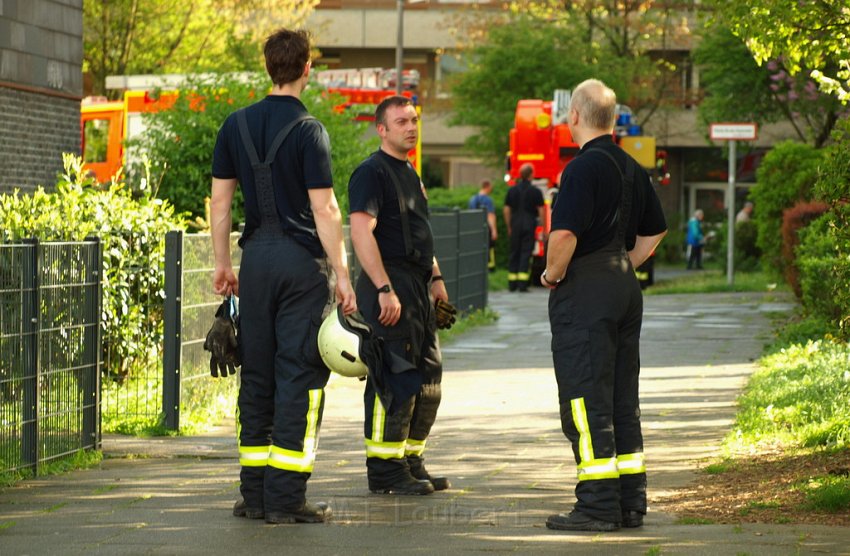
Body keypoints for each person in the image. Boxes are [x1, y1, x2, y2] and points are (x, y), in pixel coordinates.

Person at [209, 28, 357, 525]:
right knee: (300, 375)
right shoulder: (310, 131)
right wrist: (342, 273)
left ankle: (253, 496)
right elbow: (325, 207)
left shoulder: (235, 125)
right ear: (307, 68)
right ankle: (287, 500)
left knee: (257, 374)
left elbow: (221, 202)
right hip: (300, 267)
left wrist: (223, 264)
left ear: (268, 66)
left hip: (255, 263)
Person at [540, 79, 667, 532]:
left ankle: (596, 506)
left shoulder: (580, 168)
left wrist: (552, 276)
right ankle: (630, 501)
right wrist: (624, 263)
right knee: (620, 397)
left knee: (585, 397)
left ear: (573, 116)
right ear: (612, 119)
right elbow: (655, 231)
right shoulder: (632, 167)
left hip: (586, 290)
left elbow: (565, 235)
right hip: (622, 284)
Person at [348, 95, 451, 496]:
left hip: (417, 288)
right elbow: (361, 233)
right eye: (401, 121)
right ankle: (385, 470)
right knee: (393, 379)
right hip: (389, 287)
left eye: (413, 120)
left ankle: (410, 460)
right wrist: (384, 288)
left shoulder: (411, 172)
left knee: (428, 378)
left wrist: (437, 279)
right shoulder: (371, 173)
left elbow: (422, 233)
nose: (411, 126)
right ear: (382, 129)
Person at [503, 163, 545, 291]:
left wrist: (509, 225)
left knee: (514, 252)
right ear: (531, 175)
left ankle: (512, 284)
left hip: (515, 223)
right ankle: (522, 285)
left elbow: (506, 210)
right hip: (529, 223)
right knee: (526, 253)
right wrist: (542, 226)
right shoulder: (536, 192)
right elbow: (541, 211)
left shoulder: (512, 190)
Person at [468, 178, 498, 271]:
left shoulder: (472, 199)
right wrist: (494, 230)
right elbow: (490, 215)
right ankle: (490, 270)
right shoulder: (488, 200)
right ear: (487, 187)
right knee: (489, 249)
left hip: (474, 228)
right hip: (485, 228)